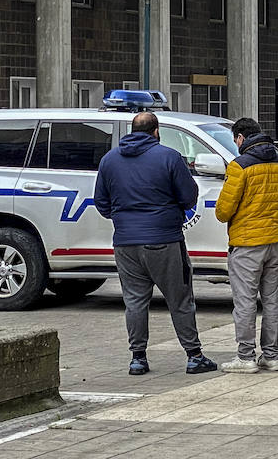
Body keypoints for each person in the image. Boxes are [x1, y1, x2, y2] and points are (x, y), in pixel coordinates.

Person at [93, 111, 217, 377]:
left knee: (135, 301)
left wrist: (124, 219)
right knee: (179, 299)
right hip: (164, 240)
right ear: (156, 131)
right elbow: (188, 196)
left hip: (126, 242)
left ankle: (138, 358)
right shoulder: (169, 157)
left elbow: (101, 203)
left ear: (132, 130)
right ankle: (194, 356)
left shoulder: (109, 160)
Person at [215, 118, 278, 374]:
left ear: (240, 138)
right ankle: (271, 355)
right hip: (275, 239)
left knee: (245, 301)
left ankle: (245, 356)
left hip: (247, 242)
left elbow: (223, 211)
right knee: (271, 299)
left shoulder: (239, 166)